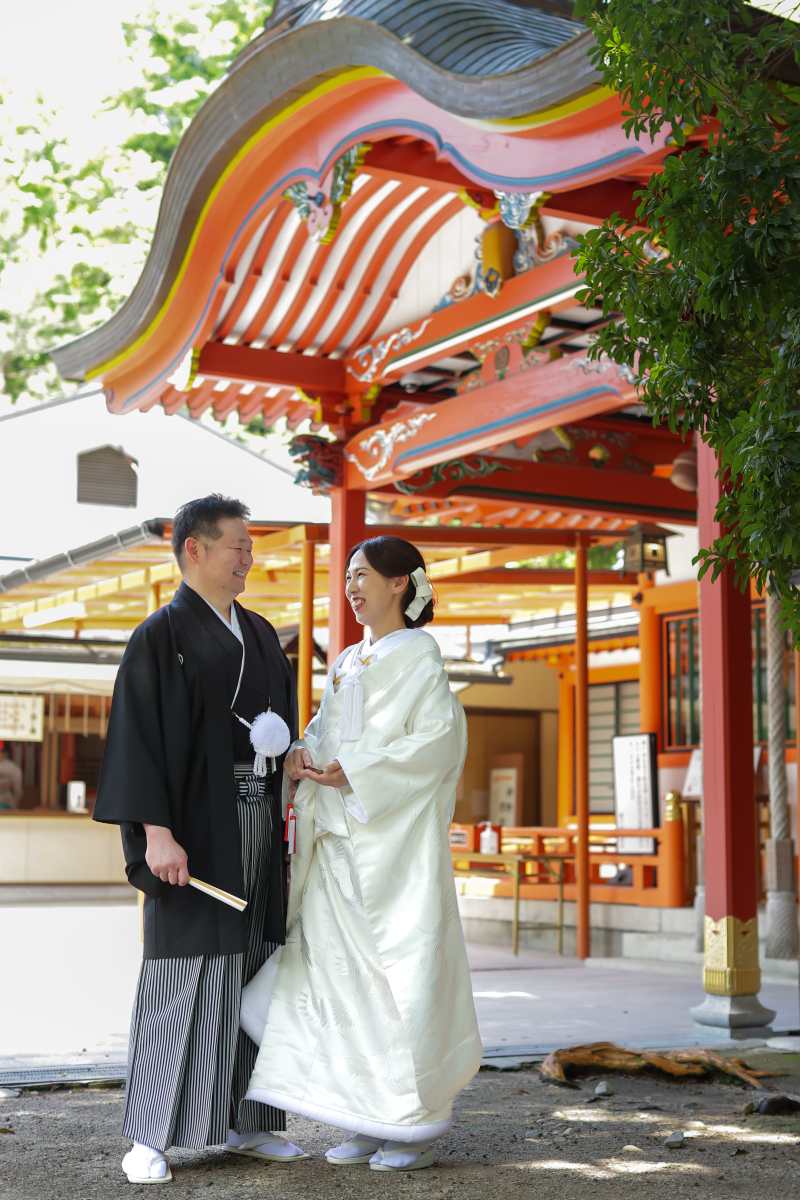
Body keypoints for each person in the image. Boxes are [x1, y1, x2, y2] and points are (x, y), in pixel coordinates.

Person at [246, 535, 482, 1172]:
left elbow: (437, 743)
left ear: (401, 583)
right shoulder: (350, 659)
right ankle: (363, 1115)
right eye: (347, 575)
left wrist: (357, 770)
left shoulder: (420, 657)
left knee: (394, 980)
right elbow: (327, 731)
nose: (351, 587)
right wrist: (303, 753)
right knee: (338, 982)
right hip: (339, 844)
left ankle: (411, 1126)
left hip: (392, 845)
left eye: (363, 575)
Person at [93, 494, 306, 1184]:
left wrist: (296, 768)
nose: (249, 558)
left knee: (251, 968)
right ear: (194, 550)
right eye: (237, 546)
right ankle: (149, 1134)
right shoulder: (160, 635)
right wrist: (155, 833)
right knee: (182, 976)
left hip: (254, 826)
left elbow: (279, 733)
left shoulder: (262, 633)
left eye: (250, 547)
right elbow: (137, 740)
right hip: (191, 833)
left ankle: (249, 1122)